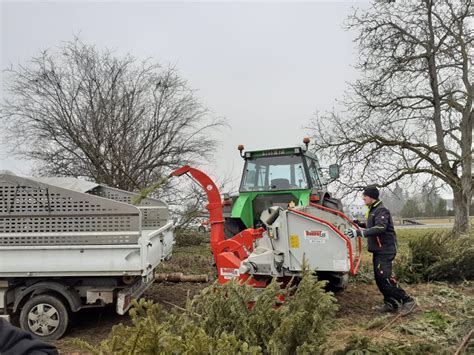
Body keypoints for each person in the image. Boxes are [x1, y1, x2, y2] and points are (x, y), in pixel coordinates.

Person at [345, 185, 416, 314]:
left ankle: (407, 301)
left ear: (371, 197)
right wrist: (357, 224)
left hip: (386, 249)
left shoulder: (382, 210)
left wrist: (360, 233)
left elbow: (380, 227)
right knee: (379, 279)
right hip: (378, 250)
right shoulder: (373, 210)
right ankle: (390, 303)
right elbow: (371, 224)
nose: (363, 198)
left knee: (385, 278)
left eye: (365, 196)